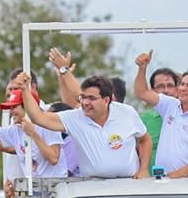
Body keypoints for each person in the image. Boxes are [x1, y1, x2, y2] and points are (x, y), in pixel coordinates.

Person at [18, 71, 151, 179]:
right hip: (92, 187)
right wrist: (25, 90)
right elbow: (38, 118)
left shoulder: (127, 113)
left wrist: (144, 169)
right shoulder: (75, 117)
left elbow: (145, 139)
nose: (85, 103)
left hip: (128, 183)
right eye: (83, 97)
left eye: (91, 98)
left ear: (106, 100)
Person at [134, 51, 188, 178]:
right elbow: (142, 93)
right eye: (182, 84)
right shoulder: (170, 105)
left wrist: (181, 173)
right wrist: (142, 69)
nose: (183, 88)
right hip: (162, 180)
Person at [139, 68, 180, 171]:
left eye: (170, 86)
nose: (166, 90)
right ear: (152, 91)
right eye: (160, 86)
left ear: (177, 90)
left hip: (182, 180)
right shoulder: (143, 119)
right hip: (149, 180)